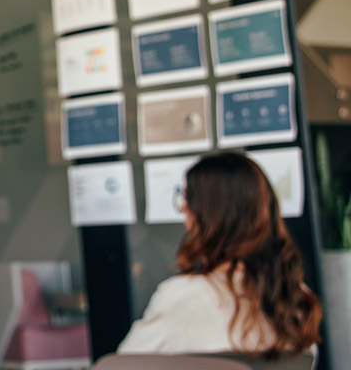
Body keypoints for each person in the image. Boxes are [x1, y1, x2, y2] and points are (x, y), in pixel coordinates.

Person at [118, 151, 321, 359]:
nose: (183, 213)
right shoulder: (291, 296)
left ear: (207, 217)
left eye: (187, 202)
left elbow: (121, 364)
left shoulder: (184, 297)